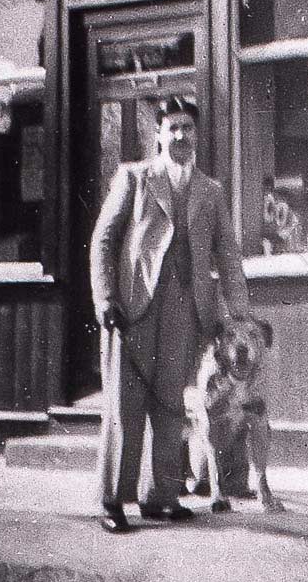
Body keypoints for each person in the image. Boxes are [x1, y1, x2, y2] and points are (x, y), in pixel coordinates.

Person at [90, 96, 249, 533]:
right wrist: (106, 300)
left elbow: (229, 255)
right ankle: (113, 502)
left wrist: (238, 315)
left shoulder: (210, 191)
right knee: (126, 406)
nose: (180, 135)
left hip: (186, 310)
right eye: (172, 128)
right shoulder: (134, 178)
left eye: (187, 128)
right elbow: (103, 241)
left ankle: (160, 497)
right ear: (157, 134)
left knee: (170, 407)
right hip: (134, 307)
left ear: (196, 134)